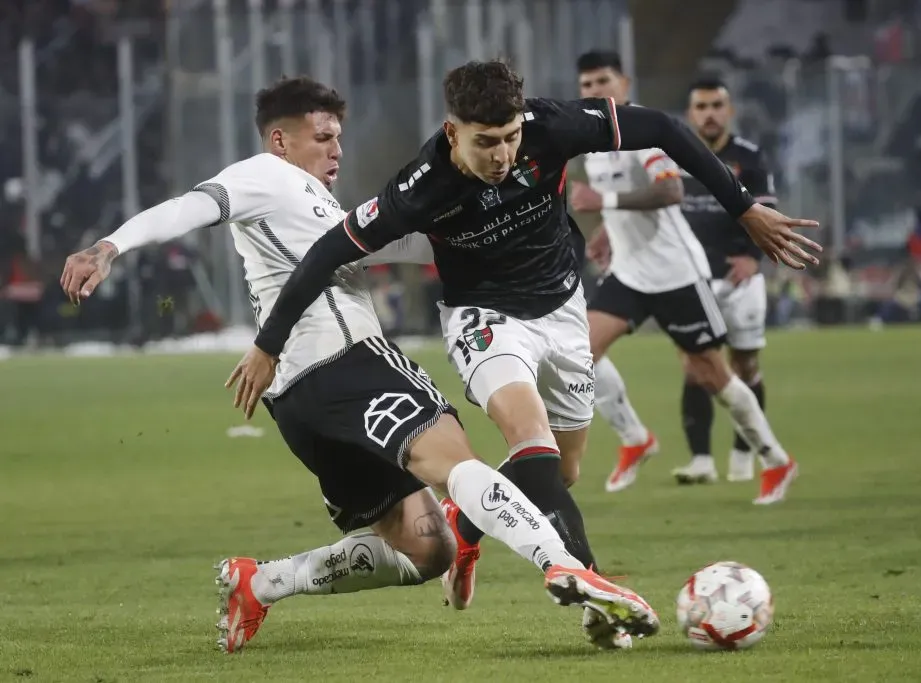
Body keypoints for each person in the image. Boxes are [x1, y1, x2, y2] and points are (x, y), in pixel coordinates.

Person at [59, 76, 658, 654]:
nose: (336, 148)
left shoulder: (311, 200)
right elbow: (190, 207)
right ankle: (564, 567)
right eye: (322, 137)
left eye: (339, 136)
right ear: (280, 140)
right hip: (348, 363)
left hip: (298, 401)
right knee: (458, 465)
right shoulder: (263, 176)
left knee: (429, 549)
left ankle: (261, 582)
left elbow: (384, 243)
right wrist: (109, 245)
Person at [231, 59, 820, 626]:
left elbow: (663, 128)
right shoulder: (421, 186)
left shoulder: (551, 126)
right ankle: (591, 586)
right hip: (484, 318)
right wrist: (269, 344)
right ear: (452, 131)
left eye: (511, 138)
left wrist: (743, 210)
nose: (504, 155)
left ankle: (467, 526)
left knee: (560, 473)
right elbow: (329, 250)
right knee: (526, 435)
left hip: (563, 311)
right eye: (486, 142)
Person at [569, 55, 800, 502]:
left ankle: (775, 460)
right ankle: (635, 438)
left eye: (603, 80)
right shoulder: (595, 140)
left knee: (711, 373)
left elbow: (671, 189)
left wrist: (606, 201)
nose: (594, 89)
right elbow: (627, 202)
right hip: (630, 273)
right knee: (578, 352)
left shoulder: (645, 132)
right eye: (587, 82)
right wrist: (606, 232)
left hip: (677, 274)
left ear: (624, 82)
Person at [670, 76, 785, 486]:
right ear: (690, 113)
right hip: (692, 277)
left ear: (729, 110)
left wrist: (754, 258)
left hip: (738, 278)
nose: (710, 114)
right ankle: (701, 460)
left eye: (717, 105)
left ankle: (743, 456)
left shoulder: (749, 157)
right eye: (701, 107)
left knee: (744, 365)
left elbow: (765, 210)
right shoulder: (674, 155)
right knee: (696, 367)